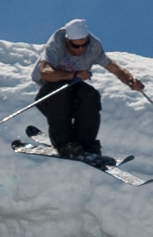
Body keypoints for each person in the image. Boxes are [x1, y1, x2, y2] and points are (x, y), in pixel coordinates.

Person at [32, 16, 146, 163]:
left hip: (73, 87)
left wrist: (130, 81)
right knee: (61, 92)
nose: (80, 49)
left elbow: (114, 67)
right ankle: (64, 143)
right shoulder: (57, 42)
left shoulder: (94, 46)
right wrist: (73, 74)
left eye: (83, 45)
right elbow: (45, 72)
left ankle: (86, 143)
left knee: (90, 95)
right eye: (75, 46)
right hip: (49, 91)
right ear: (67, 41)